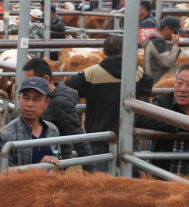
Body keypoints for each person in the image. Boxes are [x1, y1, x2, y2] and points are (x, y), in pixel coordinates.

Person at [66, 35, 154, 171]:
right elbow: (148, 85)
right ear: (124, 51)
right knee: (134, 180)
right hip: (127, 135)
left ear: (104, 52)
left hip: (98, 135)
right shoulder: (135, 72)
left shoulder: (91, 73)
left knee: (97, 182)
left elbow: (69, 87)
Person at [23, 57, 93, 165]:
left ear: (46, 79)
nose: (28, 85)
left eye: (32, 81)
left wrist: (90, 170)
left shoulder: (60, 102)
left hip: (53, 163)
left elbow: (78, 136)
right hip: (39, 159)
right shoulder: (41, 98)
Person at [0, 77, 66, 168]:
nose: (30, 104)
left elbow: (58, 165)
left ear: (46, 103)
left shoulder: (53, 130)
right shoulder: (5, 135)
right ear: (19, 99)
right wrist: (40, 168)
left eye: (36, 99)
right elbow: (4, 177)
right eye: (26, 98)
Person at [143, 16, 184, 83]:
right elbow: (168, 62)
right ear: (167, 29)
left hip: (162, 82)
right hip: (159, 83)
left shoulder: (160, 41)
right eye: (175, 32)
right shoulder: (157, 42)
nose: (176, 34)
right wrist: (175, 45)